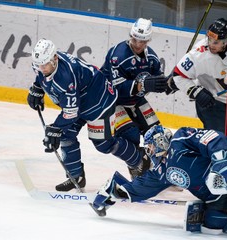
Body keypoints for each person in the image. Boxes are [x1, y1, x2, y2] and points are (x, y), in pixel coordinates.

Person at [91, 125, 227, 233]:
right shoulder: (163, 171)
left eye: (151, 146)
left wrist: (223, 163)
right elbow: (143, 187)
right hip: (222, 192)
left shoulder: (180, 139)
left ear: (160, 141)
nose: (150, 151)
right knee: (213, 222)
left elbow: (212, 138)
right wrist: (116, 192)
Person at [27, 38, 151, 192]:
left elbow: (70, 113)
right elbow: (43, 77)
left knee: (104, 145)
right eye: (38, 64)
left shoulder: (66, 78)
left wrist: (55, 128)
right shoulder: (46, 64)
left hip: (99, 102)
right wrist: (37, 87)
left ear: (55, 58)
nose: (41, 68)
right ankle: (76, 177)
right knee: (65, 135)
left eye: (44, 64)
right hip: (81, 100)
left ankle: (140, 159)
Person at [100, 18, 167, 178]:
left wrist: (165, 83)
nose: (138, 44)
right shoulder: (118, 55)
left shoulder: (152, 58)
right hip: (114, 101)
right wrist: (143, 84)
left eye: (142, 41)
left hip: (136, 101)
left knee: (158, 136)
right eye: (135, 39)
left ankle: (163, 173)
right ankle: (136, 167)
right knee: (130, 135)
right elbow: (117, 87)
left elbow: (158, 81)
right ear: (131, 35)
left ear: (148, 40)